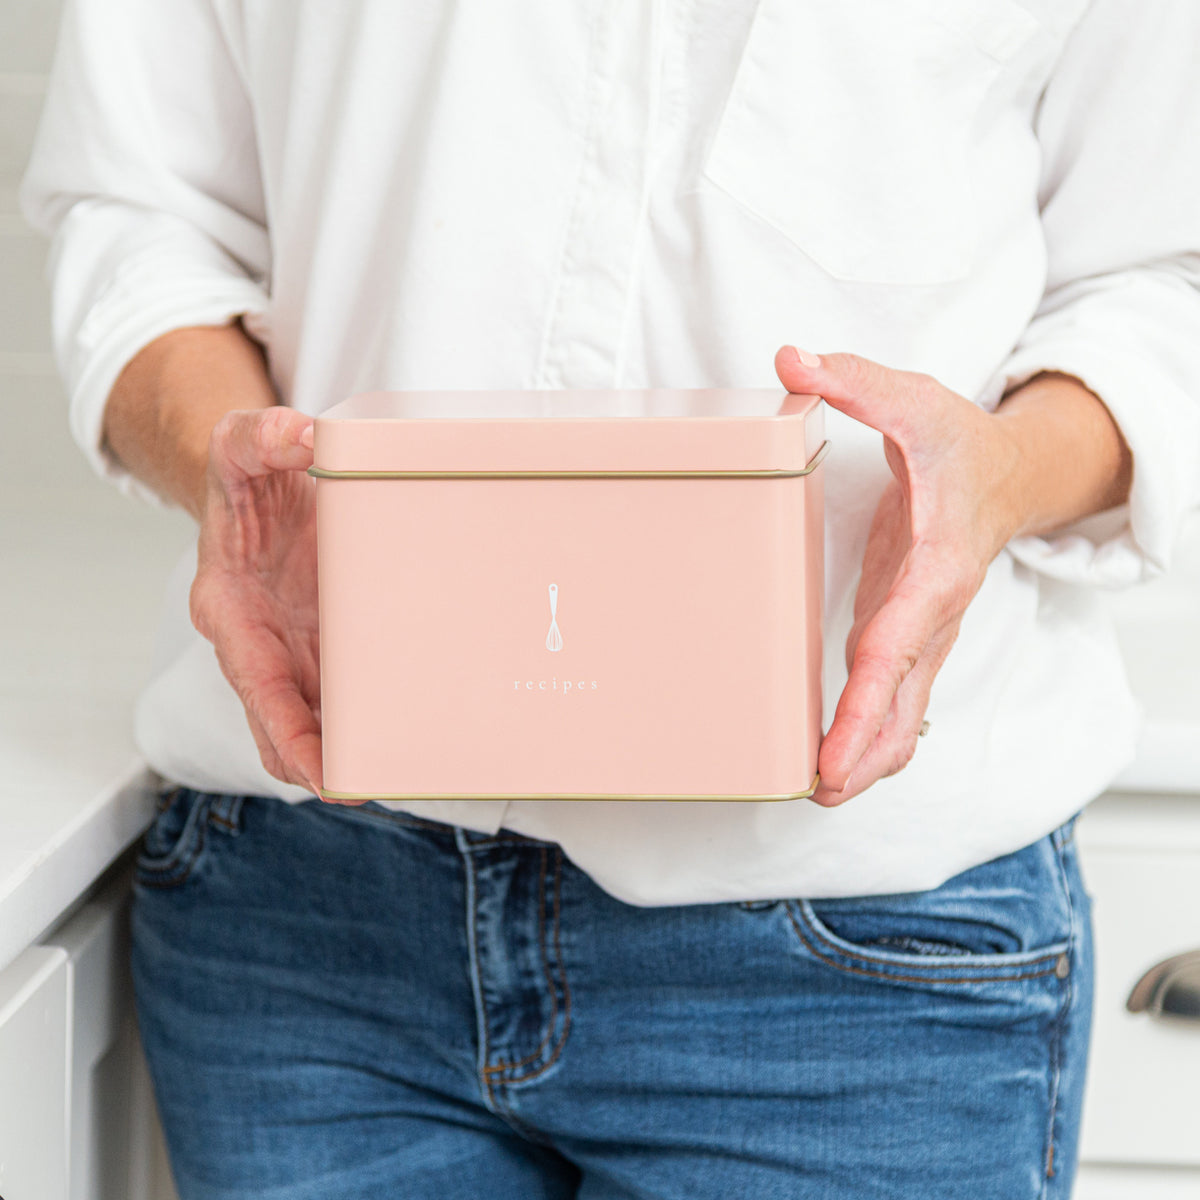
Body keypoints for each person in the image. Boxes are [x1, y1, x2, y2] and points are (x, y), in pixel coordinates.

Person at [21, 1, 1200, 1197]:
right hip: (312, 915)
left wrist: (998, 475)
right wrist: (233, 474)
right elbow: (138, 214)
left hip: (861, 946)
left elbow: (1163, 277)